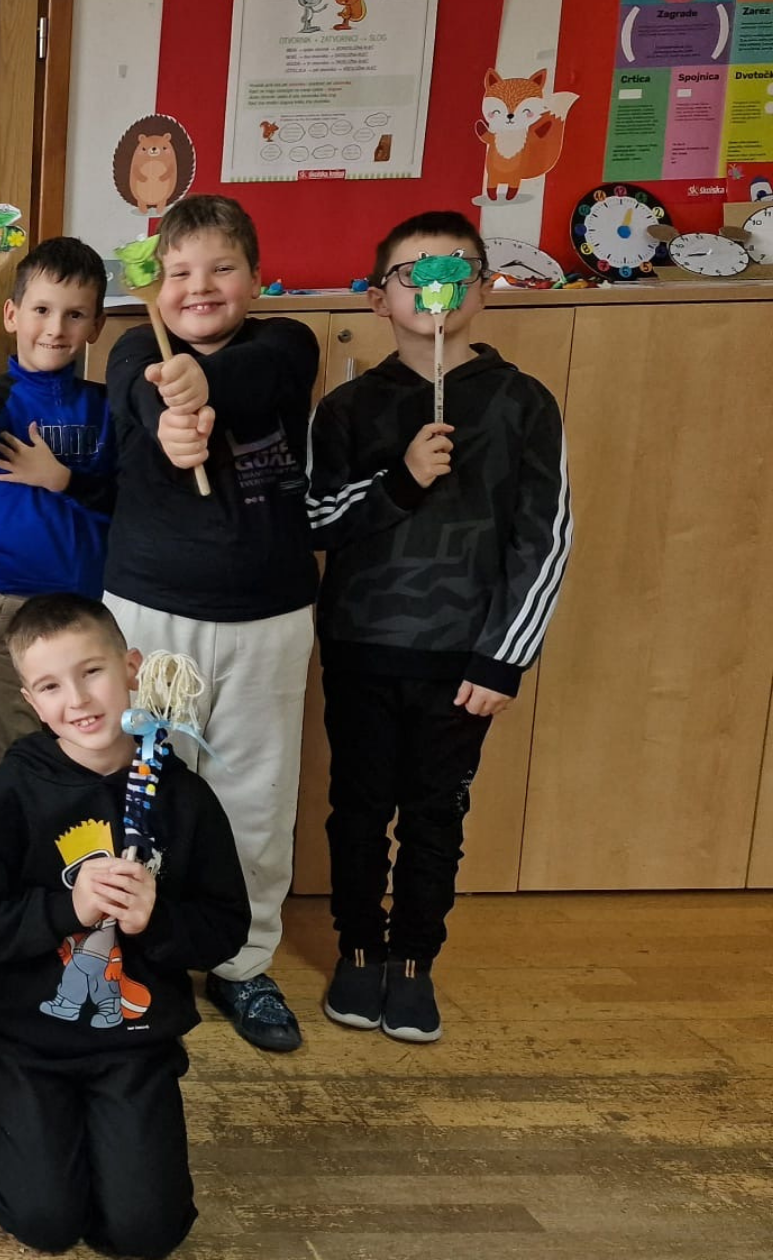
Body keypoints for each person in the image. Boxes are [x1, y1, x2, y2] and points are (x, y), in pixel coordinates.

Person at [307, 210, 572, 1043]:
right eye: (413, 274)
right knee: (356, 809)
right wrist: (402, 478)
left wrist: (503, 659)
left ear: (483, 288)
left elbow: (544, 538)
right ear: (379, 297)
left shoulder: (523, 402)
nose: (435, 287)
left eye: (454, 270)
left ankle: (415, 959)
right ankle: (358, 947)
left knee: (435, 816)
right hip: (361, 648)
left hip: (461, 658)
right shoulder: (347, 408)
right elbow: (316, 519)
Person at [0, 595, 248, 1258]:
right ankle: (29, 1124)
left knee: (146, 1231)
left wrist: (156, 921)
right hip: (26, 1043)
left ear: (131, 667)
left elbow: (225, 929)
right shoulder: (5, 797)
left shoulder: (183, 796)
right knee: (45, 1222)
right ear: (30, 699)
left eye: (92, 672)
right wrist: (65, 910)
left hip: (134, 1043)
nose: (77, 700)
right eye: (51, 686)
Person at [103, 194, 322, 1052]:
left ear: (255, 279)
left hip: (269, 616)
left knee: (255, 799)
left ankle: (243, 960)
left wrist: (203, 385)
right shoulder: (135, 348)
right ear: (154, 284)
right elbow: (138, 391)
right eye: (179, 271)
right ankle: (141, 948)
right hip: (150, 609)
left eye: (222, 268)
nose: (199, 286)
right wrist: (169, 413)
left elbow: (261, 376)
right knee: (145, 787)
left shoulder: (287, 344)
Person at [0, 236, 116, 775]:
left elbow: (122, 494)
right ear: (11, 314)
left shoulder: (104, 404)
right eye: (41, 309)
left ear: (96, 325)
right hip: (4, 605)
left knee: (92, 749)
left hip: (86, 604)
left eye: (75, 314)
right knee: (13, 757)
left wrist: (62, 479)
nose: (56, 328)